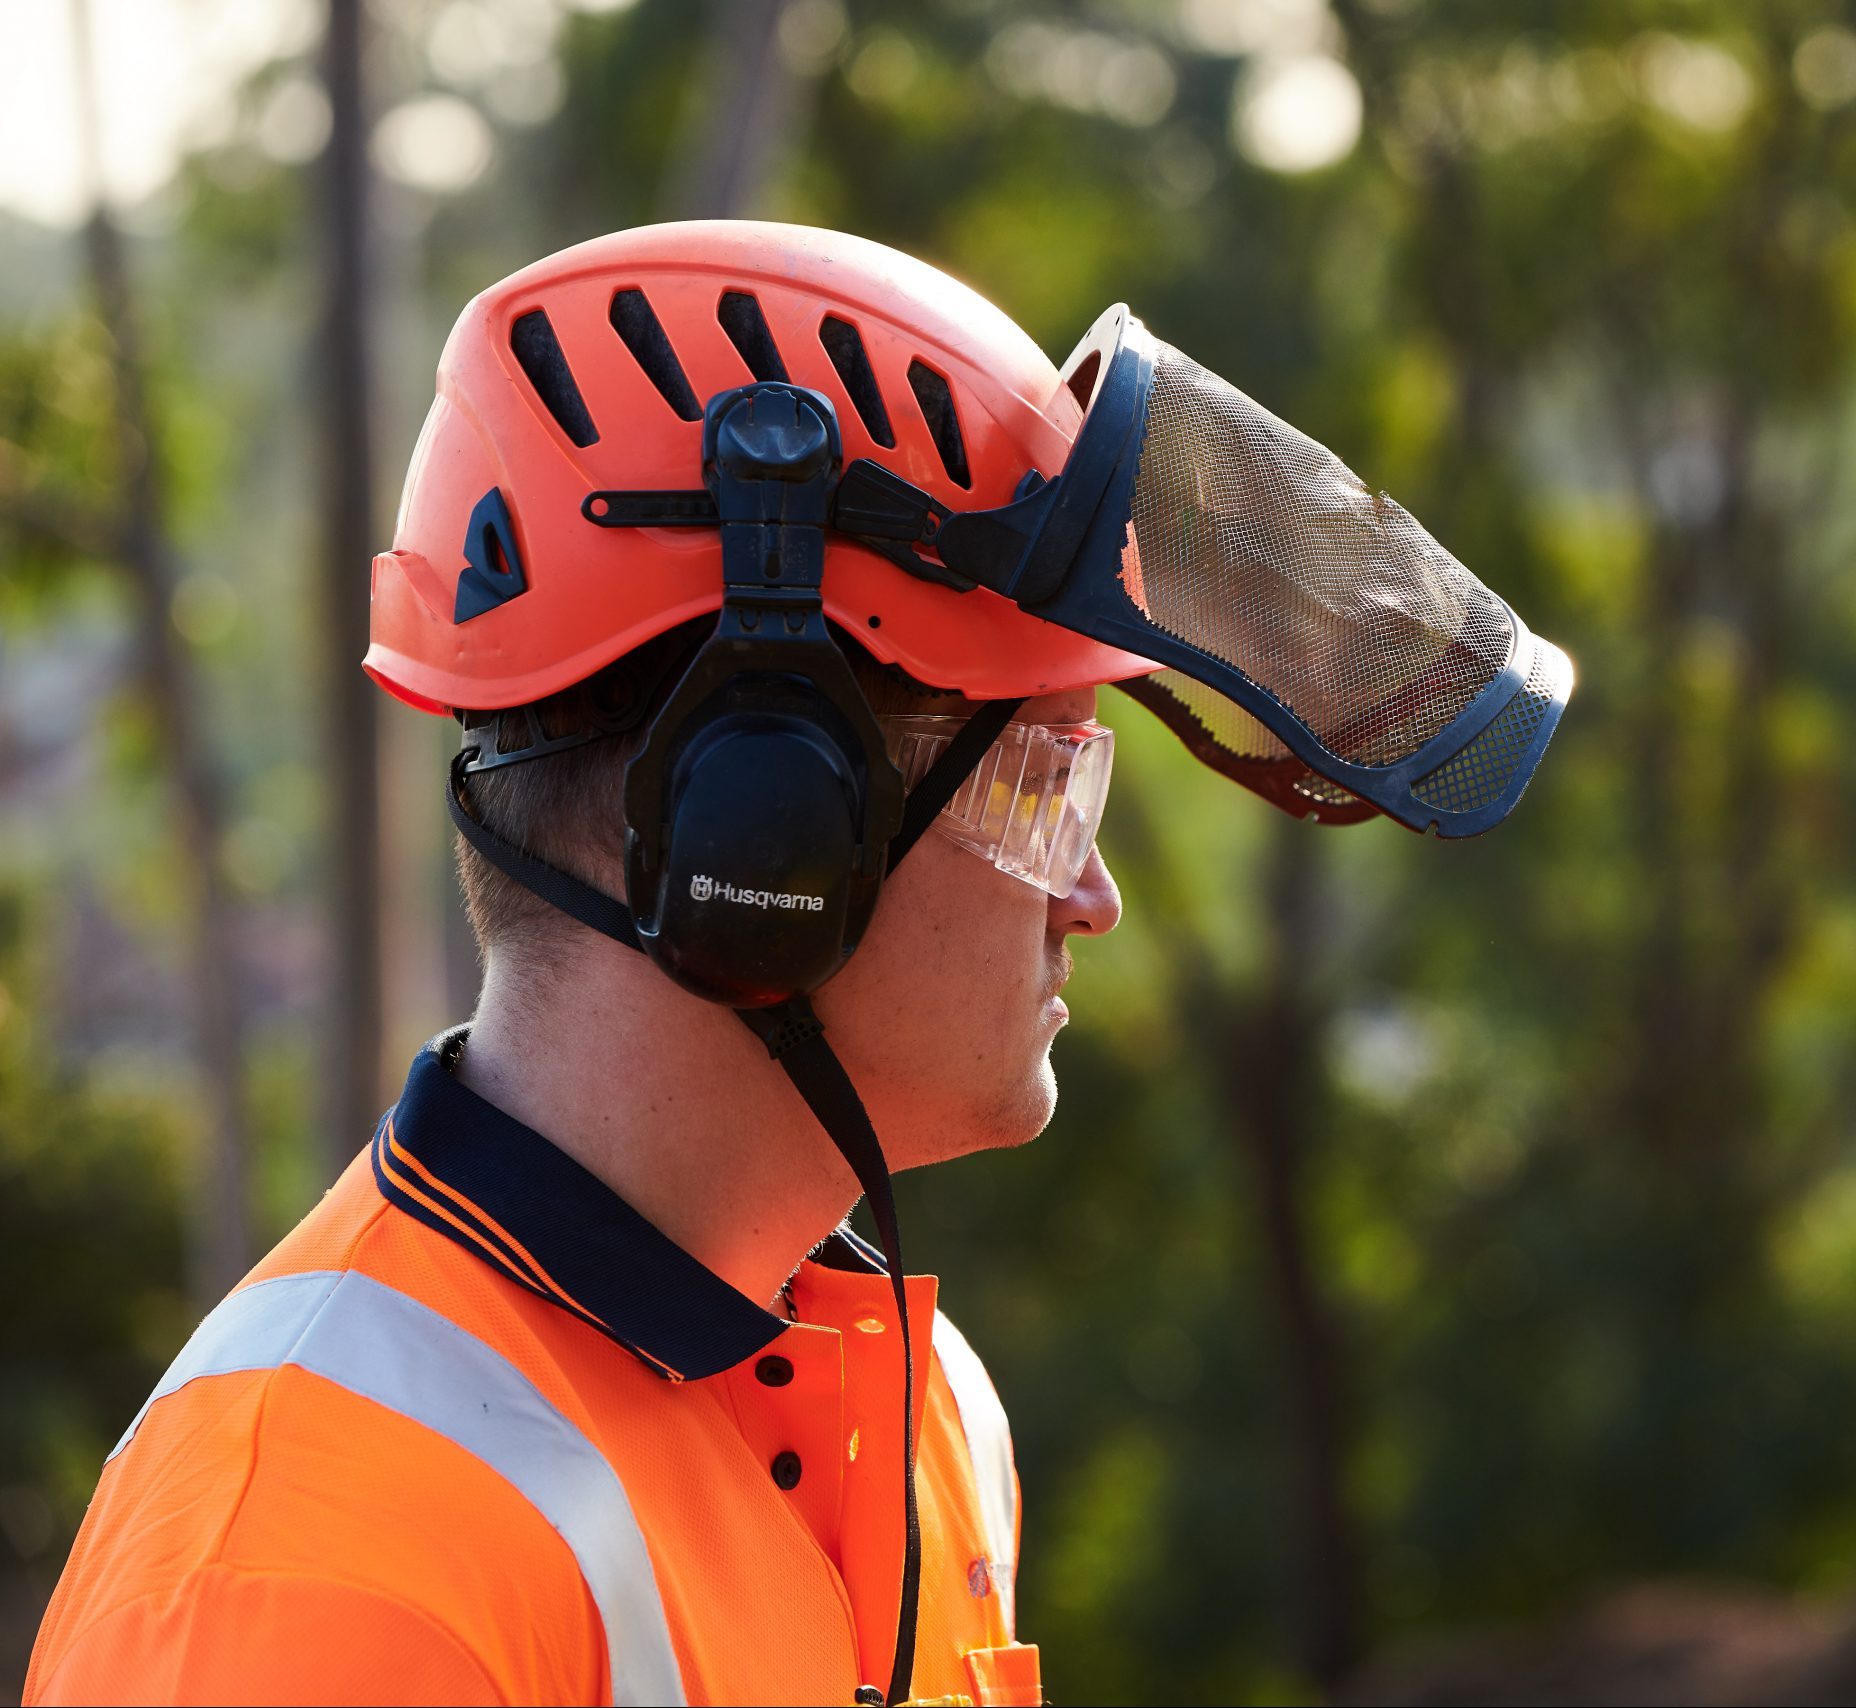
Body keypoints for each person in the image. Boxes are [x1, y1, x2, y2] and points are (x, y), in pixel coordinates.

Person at [24, 222, 1570, 1707]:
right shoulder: (312, 1570)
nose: (1094, 896)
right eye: (1047, 785)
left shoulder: (920, 1412)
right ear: (765, 829)